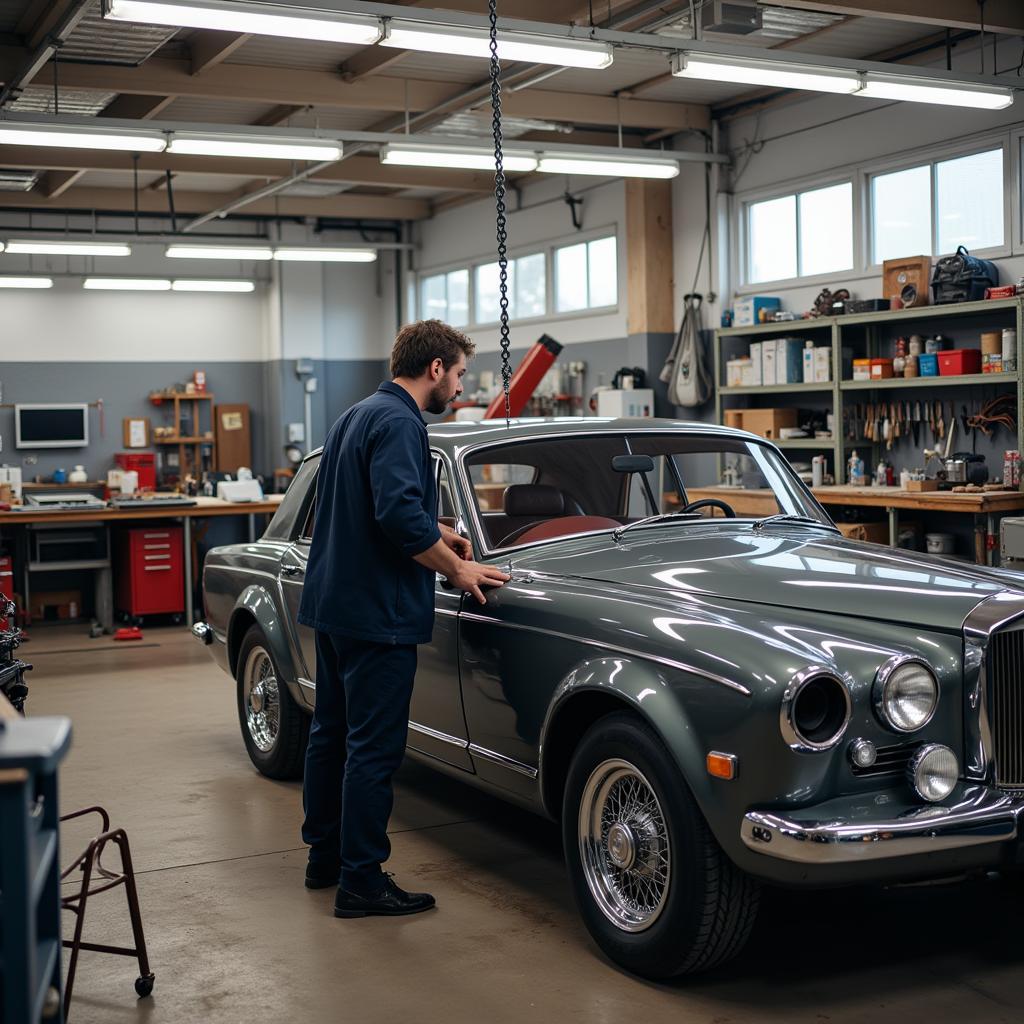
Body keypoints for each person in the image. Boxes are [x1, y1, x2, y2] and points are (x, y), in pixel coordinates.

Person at [298, 319, 510, 919]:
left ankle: (326, 859)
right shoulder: (401, 422)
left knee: (331, 735)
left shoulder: (356, 415)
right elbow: (396, 516)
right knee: (374, 747)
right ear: (435, 368)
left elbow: (368, 506)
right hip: (377, 612)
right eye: (461, 374)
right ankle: (362, 882)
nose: (462, 388)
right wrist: (456, 569)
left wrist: (438, 531)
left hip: (337, 605)